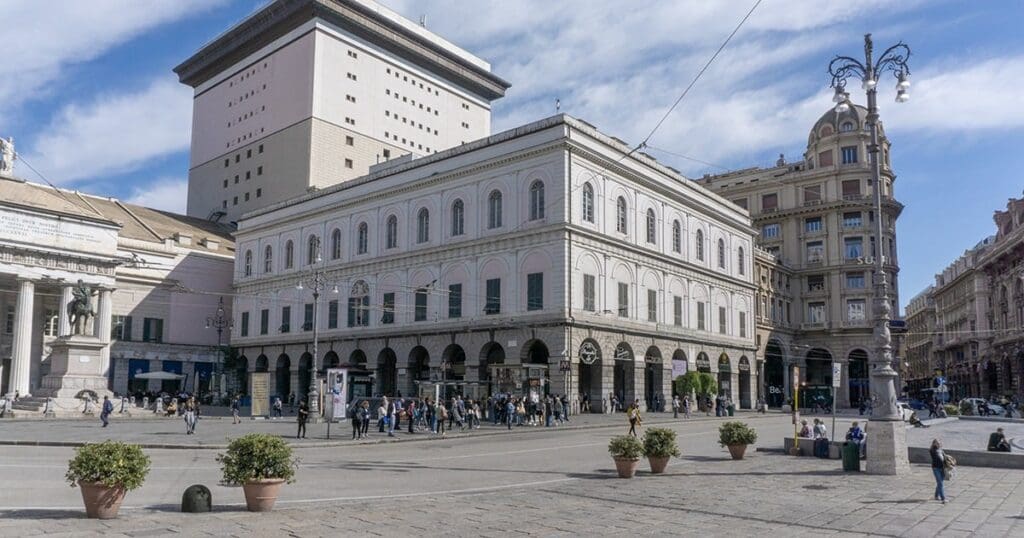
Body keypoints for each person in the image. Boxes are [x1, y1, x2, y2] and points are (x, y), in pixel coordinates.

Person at [930, 439, 947, 504]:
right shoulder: (932, 450)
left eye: (939, 443)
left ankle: (936, 495)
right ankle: (943, 498)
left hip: (942, 468)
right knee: (940, 483)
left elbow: (944, 458)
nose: (938, 444)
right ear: (934, 444)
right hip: (936, 468)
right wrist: (937, 448)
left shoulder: (941, 450)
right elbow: (936, 458)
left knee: (940, 483)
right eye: (936, 443)